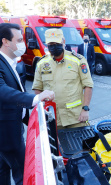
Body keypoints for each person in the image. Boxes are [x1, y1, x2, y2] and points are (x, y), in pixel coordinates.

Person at [0, 23, 55, 185]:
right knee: (24, 175)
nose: (22, 44)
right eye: (18, 40)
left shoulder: (10, 61)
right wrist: (35, 99)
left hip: (11, 127)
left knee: (3, 169)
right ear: (6, 42)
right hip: (7, 132)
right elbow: (1, 90)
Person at [32, 28, 93, 129]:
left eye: (56, 43)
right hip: (53, 118)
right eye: (51, 44)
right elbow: (38, 89)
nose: (54, 47)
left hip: (76, 118)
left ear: (63, 41)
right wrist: (43, 111)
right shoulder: (42, 63)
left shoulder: (78, 60)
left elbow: (88, 85)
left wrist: (85, 109)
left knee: (79, 144)